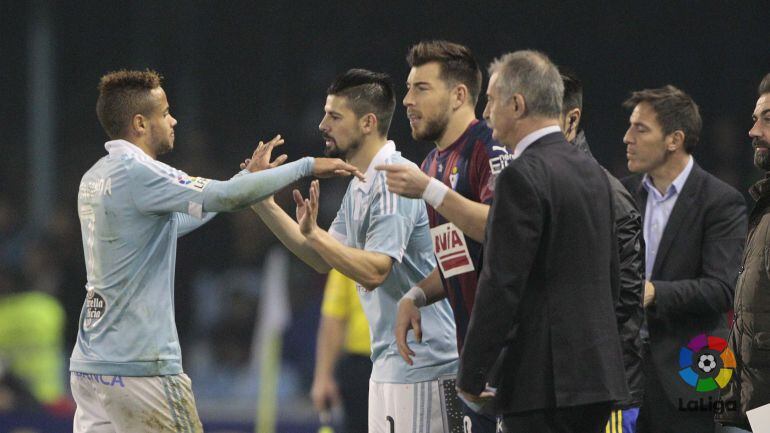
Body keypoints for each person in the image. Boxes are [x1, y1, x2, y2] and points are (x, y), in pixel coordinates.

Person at [70, 69, 361, 433]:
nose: (173, 120)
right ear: (140, 123)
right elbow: (221, 197)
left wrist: (246, 180)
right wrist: (307, 165)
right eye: (165, 113)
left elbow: (176, 222)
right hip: (141, 369)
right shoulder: (139, 171)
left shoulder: (96, 176)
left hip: (91, 369)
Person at [250, 69, 458, 433]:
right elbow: (319, 258)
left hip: (426, 367)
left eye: (334, 116)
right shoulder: (361, 186)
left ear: (367, 122)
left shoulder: (394, 179)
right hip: (390, 365)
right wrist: (262, 201)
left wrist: (317, 236)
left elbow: (376, 271)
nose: (322, 125)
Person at [456, 50, 628, 433]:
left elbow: (502, 283)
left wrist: (471, 373)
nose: (485, 112)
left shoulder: (521, 176)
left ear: (516, 105)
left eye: (491, 100)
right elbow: (612, 279)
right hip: (596, 379)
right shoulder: (595, 173)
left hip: (543, 384)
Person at [375, 40, 510, 432]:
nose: (406, 101)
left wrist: (430, 190)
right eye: (408, 89)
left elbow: (500, 230)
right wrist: (415, 295)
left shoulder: (491, 146)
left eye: (421, 88)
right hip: (472, 362)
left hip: (512, 359)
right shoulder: (432, 162)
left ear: (459, 95)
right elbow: (459, 258)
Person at [620, 85, 747, 433]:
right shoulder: (621, 195)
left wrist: (653, 293)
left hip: (698, 367)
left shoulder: (721, 202)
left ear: (674, 139)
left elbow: (722, 289)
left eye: (640, 129)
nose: (627, 138)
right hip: (626, 376)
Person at [560, 70, 645, 433]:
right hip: (549, 389)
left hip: (602, 392)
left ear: (571, 119)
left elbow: (624, 297)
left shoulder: (608, 196)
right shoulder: (525, 193)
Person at [717, 73, 770, 433]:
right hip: (754, 414)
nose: (753, 130)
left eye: (767, 118)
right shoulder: (762, 210)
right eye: (755, 118)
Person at [311, 269, 371, 433]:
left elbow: (333, 318)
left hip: (405, 359)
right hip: (361, 366)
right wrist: (323, 376)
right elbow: (333, 318)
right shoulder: (347, 253)